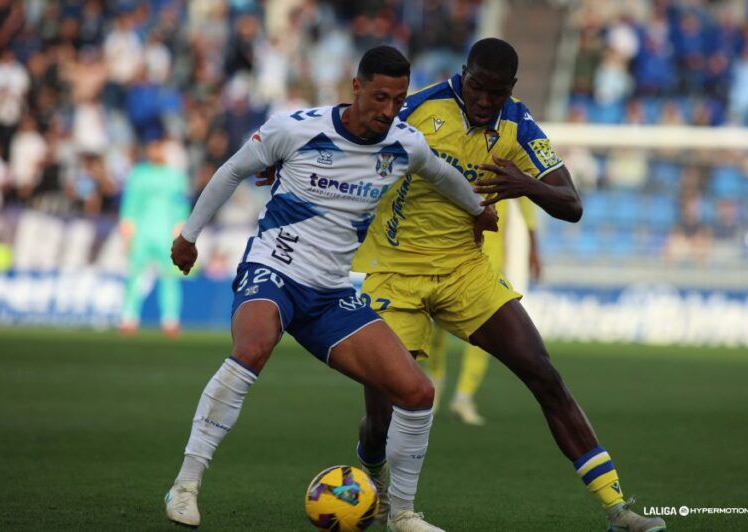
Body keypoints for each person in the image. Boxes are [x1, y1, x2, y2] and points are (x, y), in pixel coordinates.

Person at [163, 46, 499, 532]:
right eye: (380, 97)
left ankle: (401, 514)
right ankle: (186, 484)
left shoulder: (405, 144)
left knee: (417, 391)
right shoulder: (294, 128)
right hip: (274, 270)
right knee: (253, 347)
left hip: (331, 293)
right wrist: (189, 235)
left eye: (399, 100)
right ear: (356, 87)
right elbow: (233, 170)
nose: (389, 110)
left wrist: (477, 209)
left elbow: (443, 175)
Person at [351, 38, 667, 532]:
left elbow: (572, 203)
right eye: (477, 88)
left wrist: (528, 185)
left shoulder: (518, 124)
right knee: (382, 417)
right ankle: (369, 481)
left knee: (543, 373)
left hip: (464, 270)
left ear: (510, 89)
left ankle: (617, 508)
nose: (483, 101)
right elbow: (349, 134)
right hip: (395, 272)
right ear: (464, 75)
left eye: (495, 93)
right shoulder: (415, 109)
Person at [426, 197, 541, 426]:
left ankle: (463, 397)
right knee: (435, 321)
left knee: (489, 329)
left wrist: (533, 248)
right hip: (453, 253)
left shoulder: (505, 166)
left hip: (489, 262)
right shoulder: (458, 163)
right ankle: (434, 384)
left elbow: (527, 206)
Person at [119, 126, 189, 335]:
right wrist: (127, 231)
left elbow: (180, 208)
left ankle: (170, 320)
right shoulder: (138, 174)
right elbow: (130, 206)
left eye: (159, 147)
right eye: (152, 148)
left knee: (169, 278)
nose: (155, 151)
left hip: (166, 233)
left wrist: (180, 234)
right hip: (141, 233)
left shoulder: (175, 176)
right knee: (134, 276)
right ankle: (128, 318)